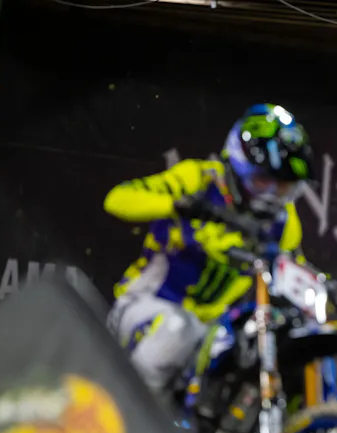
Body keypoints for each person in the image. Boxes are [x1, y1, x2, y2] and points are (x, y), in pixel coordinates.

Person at [103, 103, 317, 394]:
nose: (271, 195)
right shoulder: (199, 178)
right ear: (239, 165)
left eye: (282, 187)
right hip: (145, 306)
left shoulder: (285, 222)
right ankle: (125, 408)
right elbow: (117, 199)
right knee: (178, 328)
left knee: (249, 357)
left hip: (211, 332)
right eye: (263, 180)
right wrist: (178, 206)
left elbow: (295, 271)